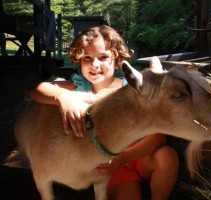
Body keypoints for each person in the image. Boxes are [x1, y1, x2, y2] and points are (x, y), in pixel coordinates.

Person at [29, 25, 179, 200]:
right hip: (109, 165)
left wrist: (123, 158)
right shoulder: (80, 87)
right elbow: (36, 90)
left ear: (117, 61)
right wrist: (61, 96)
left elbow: (159, 137)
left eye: (103, 57)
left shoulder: (132, 89)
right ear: (79, 60)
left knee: (167, 157)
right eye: (87, 58)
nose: (95, 64)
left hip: (139, 155)